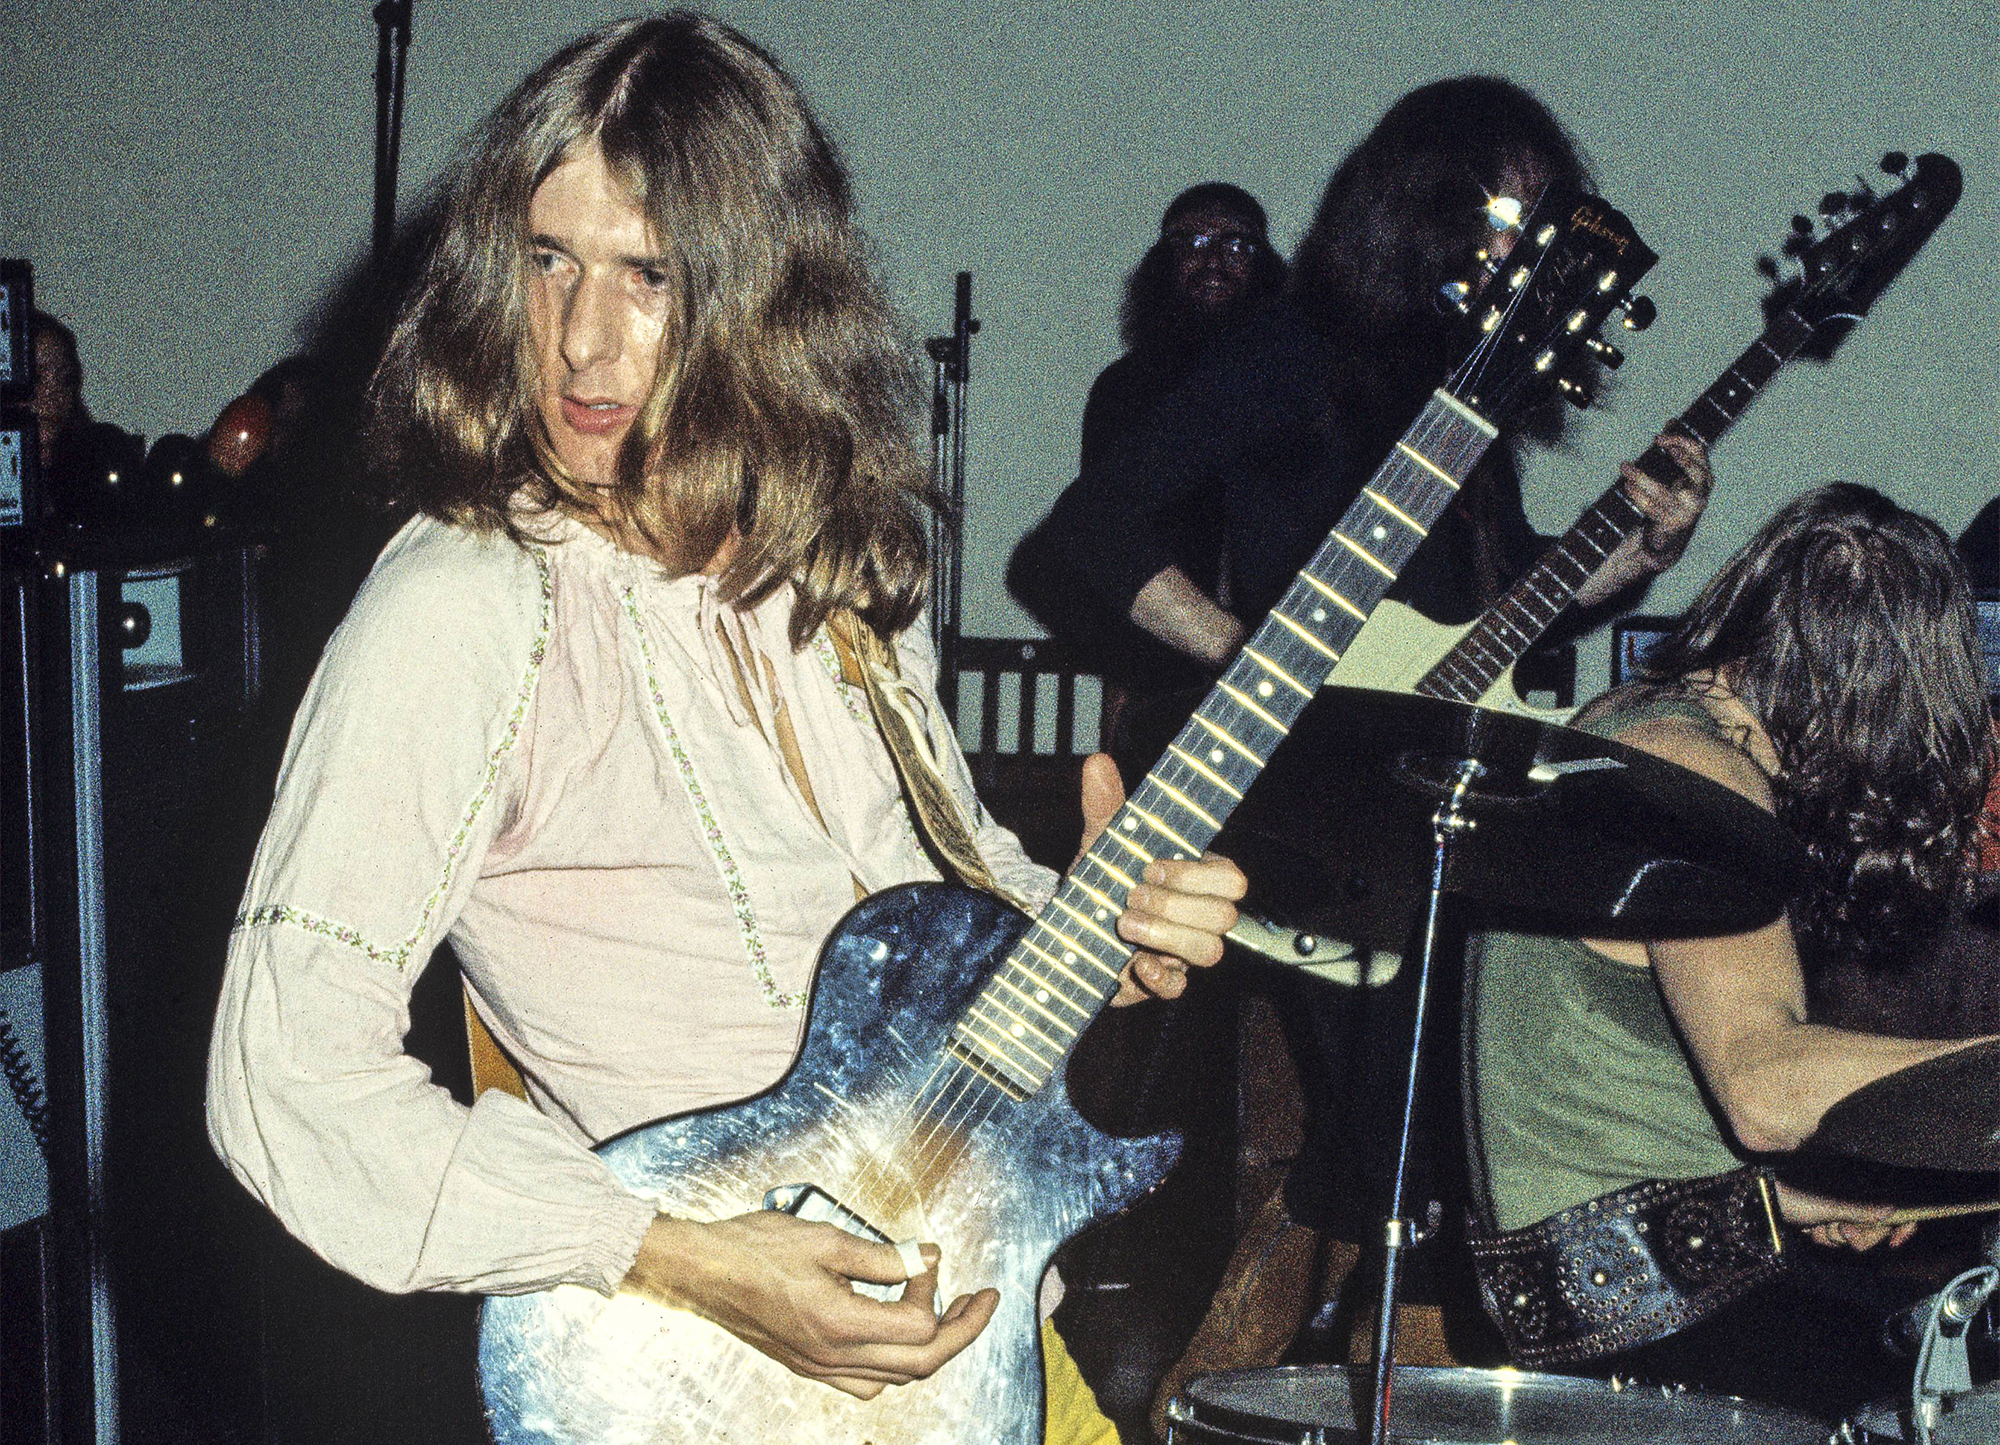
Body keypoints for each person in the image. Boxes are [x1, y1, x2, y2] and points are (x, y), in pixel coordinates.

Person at [203, 13, 1244, 1442]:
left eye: (651, 275)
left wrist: (1094, 937)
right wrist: (678, 1252)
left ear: (767, 297)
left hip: (973, 1335)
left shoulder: (831, 571)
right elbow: (281, 1075)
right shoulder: (466, 605)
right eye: (547, 257)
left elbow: (920, 908)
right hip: (693, 1371)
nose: (581, 335)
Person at [1030, 78, 1714, 1428]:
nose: (1527, 245)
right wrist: (1258, 665)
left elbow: (1496, 600)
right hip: (1312, 819)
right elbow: (1090, 532)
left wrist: (1642, 554)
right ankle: (1277, 1383)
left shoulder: (1461, 392)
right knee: (1396, 1166)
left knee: (1439, 1158)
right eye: (1507, 210)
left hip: (1438, 804)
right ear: (1420, 211)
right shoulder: (1285, 352)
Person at [1470, 482, 1997, 1414]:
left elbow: (1606, 1114)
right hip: (1653, 1321)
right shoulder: (1697, 770)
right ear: (1872, 697)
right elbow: (1762, 1086)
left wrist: (1833, 1195)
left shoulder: (1627, 717)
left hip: (1602, 1286)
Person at [1009, 182, 1286, 712]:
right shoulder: (1122, 390)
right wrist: (1122, 694)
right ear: (1162, 263)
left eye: (1235, 244)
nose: (1214, 260)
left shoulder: (1299, 385)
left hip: (1289, 655)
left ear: (1265, 263)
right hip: (1164, 671)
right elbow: (1100, 547)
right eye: (1193, 243)